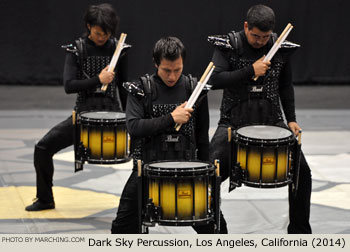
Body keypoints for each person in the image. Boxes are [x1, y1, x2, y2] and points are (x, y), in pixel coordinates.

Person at [207, 4, 312, 233]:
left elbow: (285, 85)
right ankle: (216, 234)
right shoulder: (230, 45)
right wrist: (250, 70)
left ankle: (300, 233)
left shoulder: (279, 47)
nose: (260, 41)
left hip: (271, 120)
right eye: (255, 36)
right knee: (208, 174)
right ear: (246, 26)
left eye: (265, 37)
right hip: (233, 123)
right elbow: (214, 80)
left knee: (302, 173)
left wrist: (291, 119)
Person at [111, 37, 225, 233]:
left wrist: (205, 174)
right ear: (156, 64)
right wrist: (172, 117)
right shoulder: (140, 90)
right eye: (166, 70)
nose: (172, 76)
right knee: (121, 229)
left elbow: (201, 136)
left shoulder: (194, 89)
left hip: (188, 170)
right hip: (146, 171)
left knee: (217, 229)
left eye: (177, 70)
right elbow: (134, 127)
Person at [25, 3, 130, 211]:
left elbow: (123, 88)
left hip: (112, 115)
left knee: (143, 154)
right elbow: (69, 85)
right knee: (42, 148)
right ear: (88, 26)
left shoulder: (118, 49)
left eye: (107, 33)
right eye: (99, 33)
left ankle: (139, 206)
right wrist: (98, 79)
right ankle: (45, 198)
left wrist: (130, 121)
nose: (103, 37)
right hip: (83, 115)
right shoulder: (77, 49)